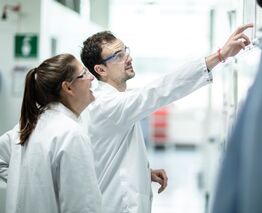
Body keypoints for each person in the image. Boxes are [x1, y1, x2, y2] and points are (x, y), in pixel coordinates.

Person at [80, 23, 253, 213]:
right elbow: (161, 89)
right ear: (100, 70)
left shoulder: (114, 101)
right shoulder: (107, 105)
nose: (128, 58)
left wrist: (144, 173)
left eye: (125, 50)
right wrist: (220, 56)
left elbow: (113, 155)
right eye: (118, 56)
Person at [0, 54, 101, 213]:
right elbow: (84, 206)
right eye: (85, 74)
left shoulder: (28, 126)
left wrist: (22, 183)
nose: (92, 78)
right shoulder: (70, 134)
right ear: (68, 88)